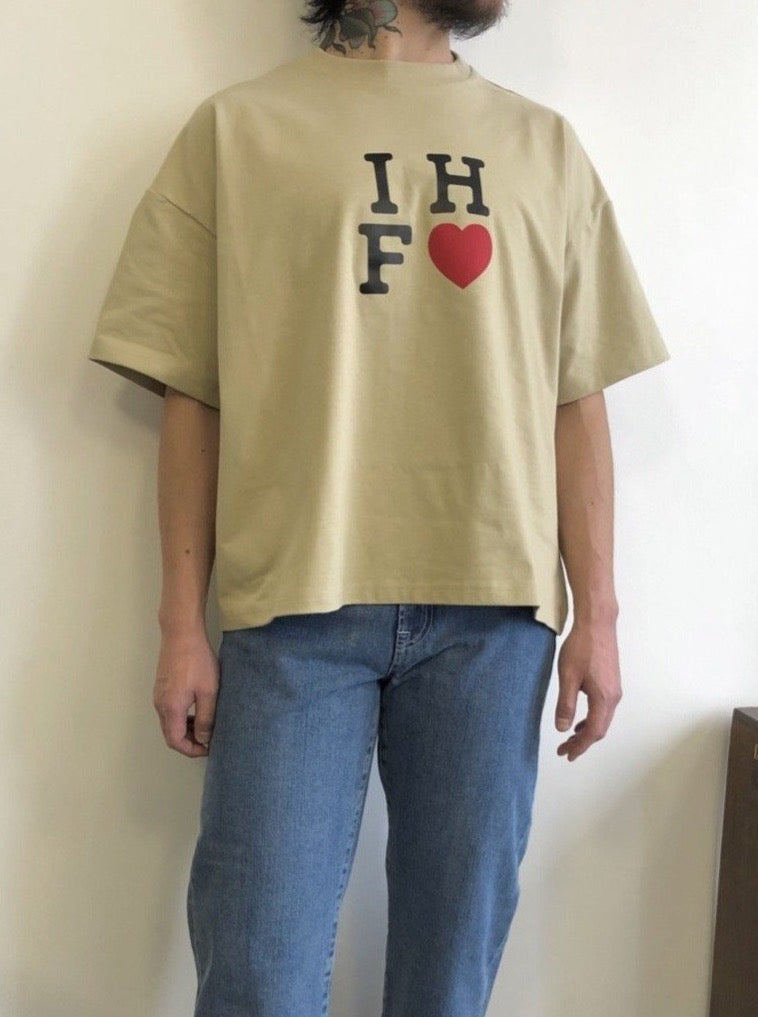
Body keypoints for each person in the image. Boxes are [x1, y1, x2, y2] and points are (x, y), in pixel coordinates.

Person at [86, 1, 671, 1014]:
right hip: (293, 609)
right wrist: (180, 623)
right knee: (258, 977)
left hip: (494, 618)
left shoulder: (543, 146)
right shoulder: (237, 132)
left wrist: (600, 615)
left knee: (449, 984)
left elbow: (575, 396)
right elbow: (193, 391)